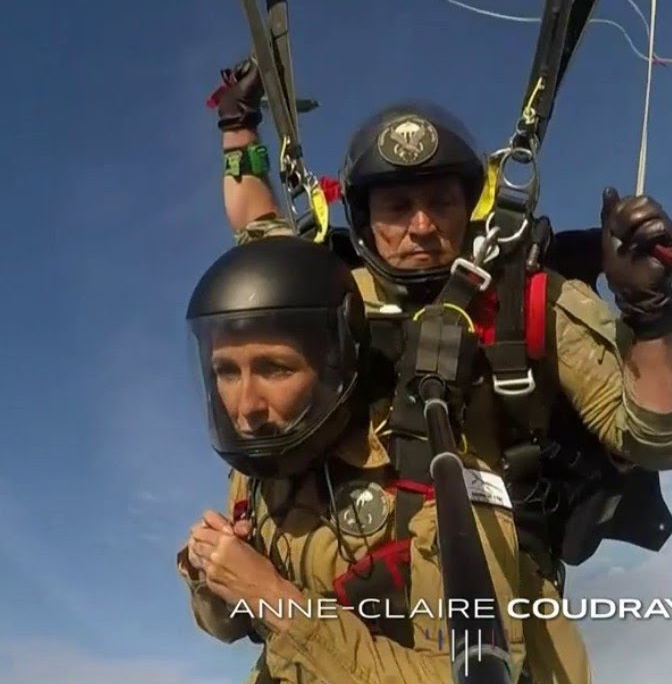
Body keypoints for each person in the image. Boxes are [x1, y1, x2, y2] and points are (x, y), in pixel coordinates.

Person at [209, 58, 672, 681]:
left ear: (469, 204)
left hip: (487, 608)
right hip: (325, 609)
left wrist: (649, 316)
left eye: (440, 200)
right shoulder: (321, 296)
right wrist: (236, 126)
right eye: (397, 205)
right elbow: (257, 227)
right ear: (362, 219)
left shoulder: (527, 300)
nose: (421, 224)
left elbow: (657, 436)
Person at [178, 235, 541, 683]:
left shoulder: (438, 474)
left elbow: (465, 676)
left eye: (275, 368)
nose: (246, 405)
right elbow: (228, 627)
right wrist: (209, 568)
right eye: (226, 372)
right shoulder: (255, 479)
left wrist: (273, 598)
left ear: (334, 364)